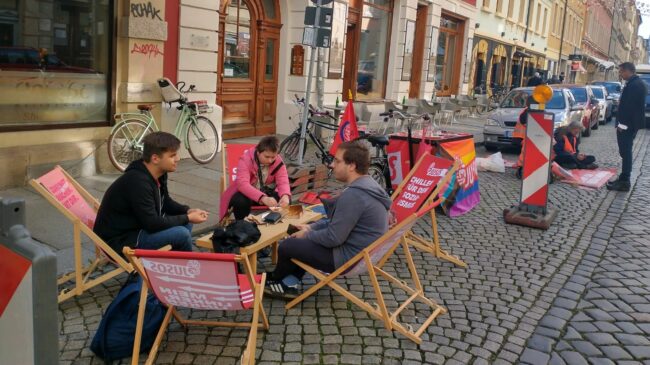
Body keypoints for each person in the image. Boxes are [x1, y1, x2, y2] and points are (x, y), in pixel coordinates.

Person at [265, 141, 392, 300]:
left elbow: (333, 237)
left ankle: (277, 280)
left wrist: (307, 235)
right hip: (360, 253)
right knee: (306, 231)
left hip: (347, 259)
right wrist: (310, 228)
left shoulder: (354, 196)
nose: (332, 165)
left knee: (288, 245)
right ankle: (290, 281)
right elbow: (335, 222)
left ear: (351, 166)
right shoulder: (369, 184)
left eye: (337, 161)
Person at [94, 132, 208, 253]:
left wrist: (187, 211)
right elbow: (152, 224)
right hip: (121, 240)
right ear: (155, 158)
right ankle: (187, 269)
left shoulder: (159, 173)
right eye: (172, 155)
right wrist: (187, 217)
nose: (177, 159)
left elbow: (165, 202)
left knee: (187, 223)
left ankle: (169, 264)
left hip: (138, 226)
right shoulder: (138, 183)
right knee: (182, 233)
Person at [219, 136, 291, 221]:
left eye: (273, 157)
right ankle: (241, 225)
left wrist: (285, 196)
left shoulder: (278, 161)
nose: (270, 161)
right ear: (258, 152)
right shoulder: (245, 159)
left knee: (286, 200)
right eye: (267, 157)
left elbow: (283, 181)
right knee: (240, 201)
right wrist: (263, 198)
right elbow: (242, 184)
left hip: (267, 191)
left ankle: (276, 223)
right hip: (250, 193)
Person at [607, 62, 648, 191]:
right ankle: (624, 177)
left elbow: (630, 108)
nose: (620, 74)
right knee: (625, 151)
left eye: (621, 71)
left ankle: (625, 181)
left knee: (626, 151)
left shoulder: (635, 85)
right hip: (628, 124)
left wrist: (622, 125)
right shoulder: (634, 83)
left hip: (627, 125)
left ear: (628, 71)